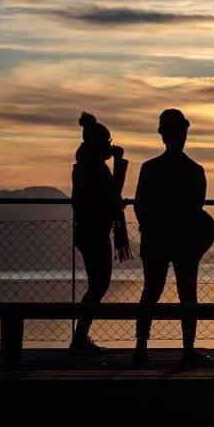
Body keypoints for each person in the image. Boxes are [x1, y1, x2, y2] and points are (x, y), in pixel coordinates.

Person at [131, 108, 214, 367]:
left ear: (162, 136)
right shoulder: (194, 170)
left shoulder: (150, 168)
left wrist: (151, 226)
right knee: (187, 295)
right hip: (185, 240)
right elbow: (196, 206)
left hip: (156, 238)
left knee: (151, 293)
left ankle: (140, 348)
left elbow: (140, 206)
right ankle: (187, 349)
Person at [69, 111, 130, 354]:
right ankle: (79, 339)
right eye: (108, 143)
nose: (111, 147)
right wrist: (119, 164)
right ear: (97, 144)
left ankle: (80, 338)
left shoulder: (89, 166)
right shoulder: (91, 169)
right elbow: (109, 195)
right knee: (98, 285)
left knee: (98, 285)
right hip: (93, 232)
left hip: (90, 231)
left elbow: (108, 195)